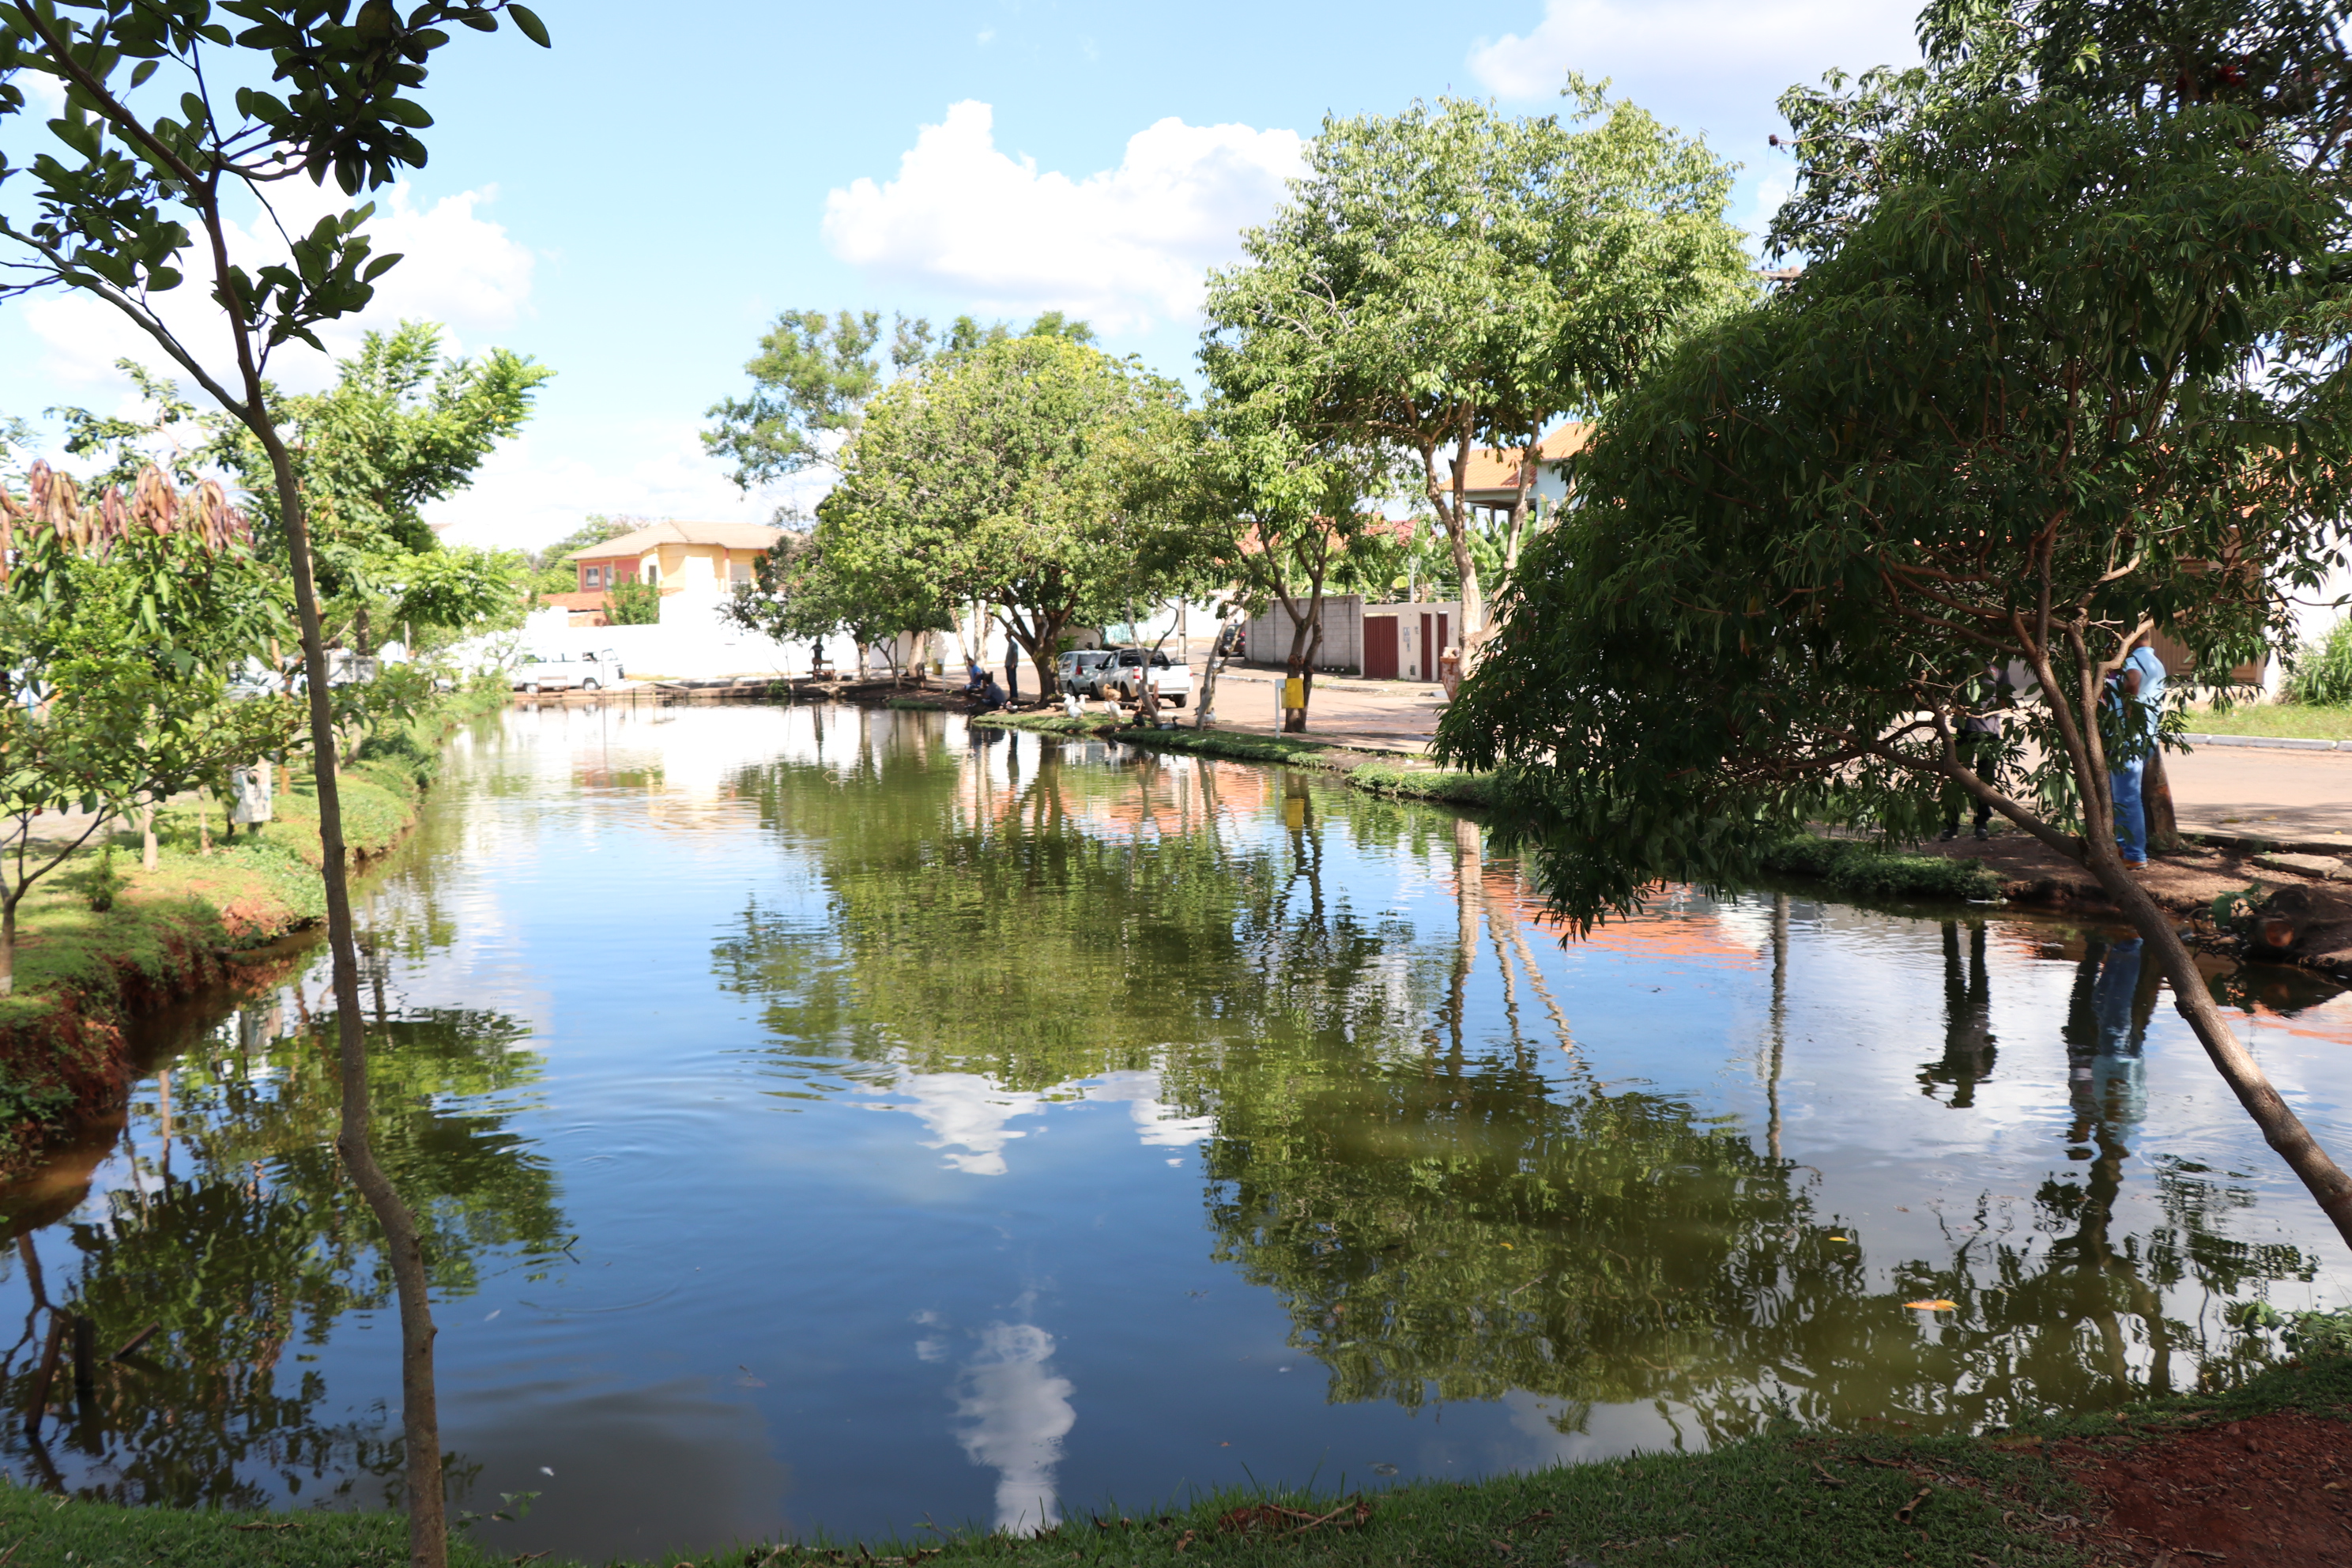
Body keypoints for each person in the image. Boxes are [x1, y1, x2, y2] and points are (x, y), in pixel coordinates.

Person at [2107, 633, 2166, 869]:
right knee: (2125, 796)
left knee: (2127, 798)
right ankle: (2124, 846)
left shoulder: (2134, 660)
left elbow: (2132, 681)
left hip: (2127, 738)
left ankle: (2134, 854)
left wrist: (2124, 708)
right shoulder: (2155, 661)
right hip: (2145, 736)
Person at [1941, 662, 2011, 842]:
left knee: (1985, 780)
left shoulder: (1999, 667)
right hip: (1964, 730)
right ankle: (1951, 824)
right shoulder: (1963, 663)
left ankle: (1982, 823)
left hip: (1990, 733)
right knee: (1957, 777)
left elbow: (2005, 698)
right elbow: (1949, 689)